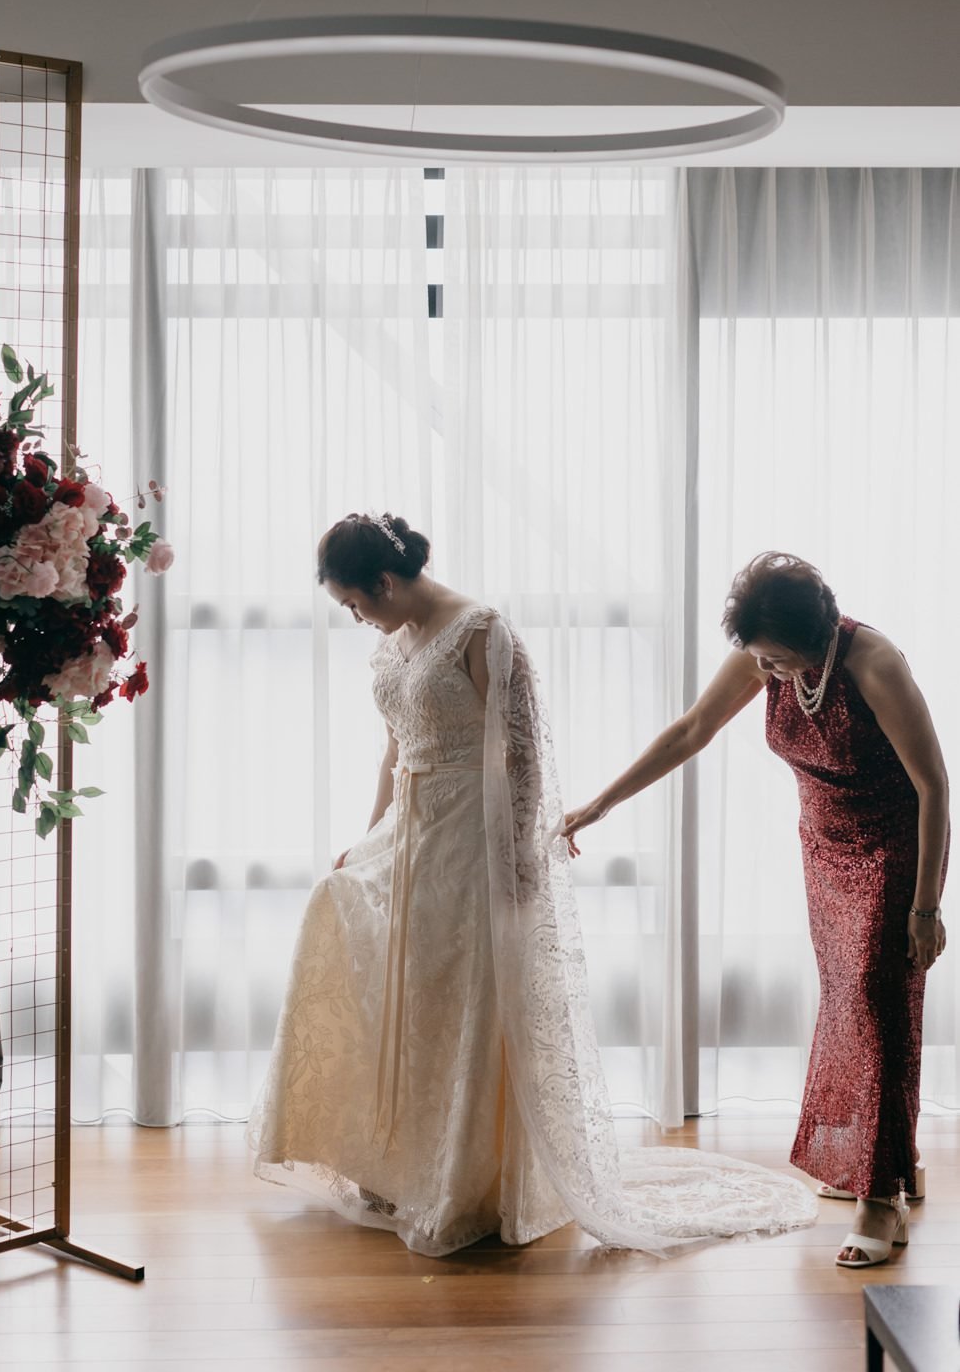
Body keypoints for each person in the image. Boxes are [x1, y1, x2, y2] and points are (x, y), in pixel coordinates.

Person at [248, 516, 815, 1258]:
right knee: (385, 968)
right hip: (409, 830)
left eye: (355, 604)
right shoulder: (395, 641)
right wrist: (368, 834)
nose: (356, 619)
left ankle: (465, 1181)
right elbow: (395, 745)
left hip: (468, 838)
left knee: (458, 1002)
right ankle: (392, 1158)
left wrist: (518, 861)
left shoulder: (483, 633)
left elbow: (521, 758)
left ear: (384, 582)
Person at [563, 552, 949, 1269]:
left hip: (893, 846)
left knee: (876, 1001)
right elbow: (690, 731)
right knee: (855, 1008)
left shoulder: (873, 662)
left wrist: (926, 907)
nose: (765, 672)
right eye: (759, 660)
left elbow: (933, 785)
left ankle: (879, 1199)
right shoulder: (762, 657)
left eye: (774, 660)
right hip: (824, 849)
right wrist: (598, 805)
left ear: (816, 635)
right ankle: (894, 1165)